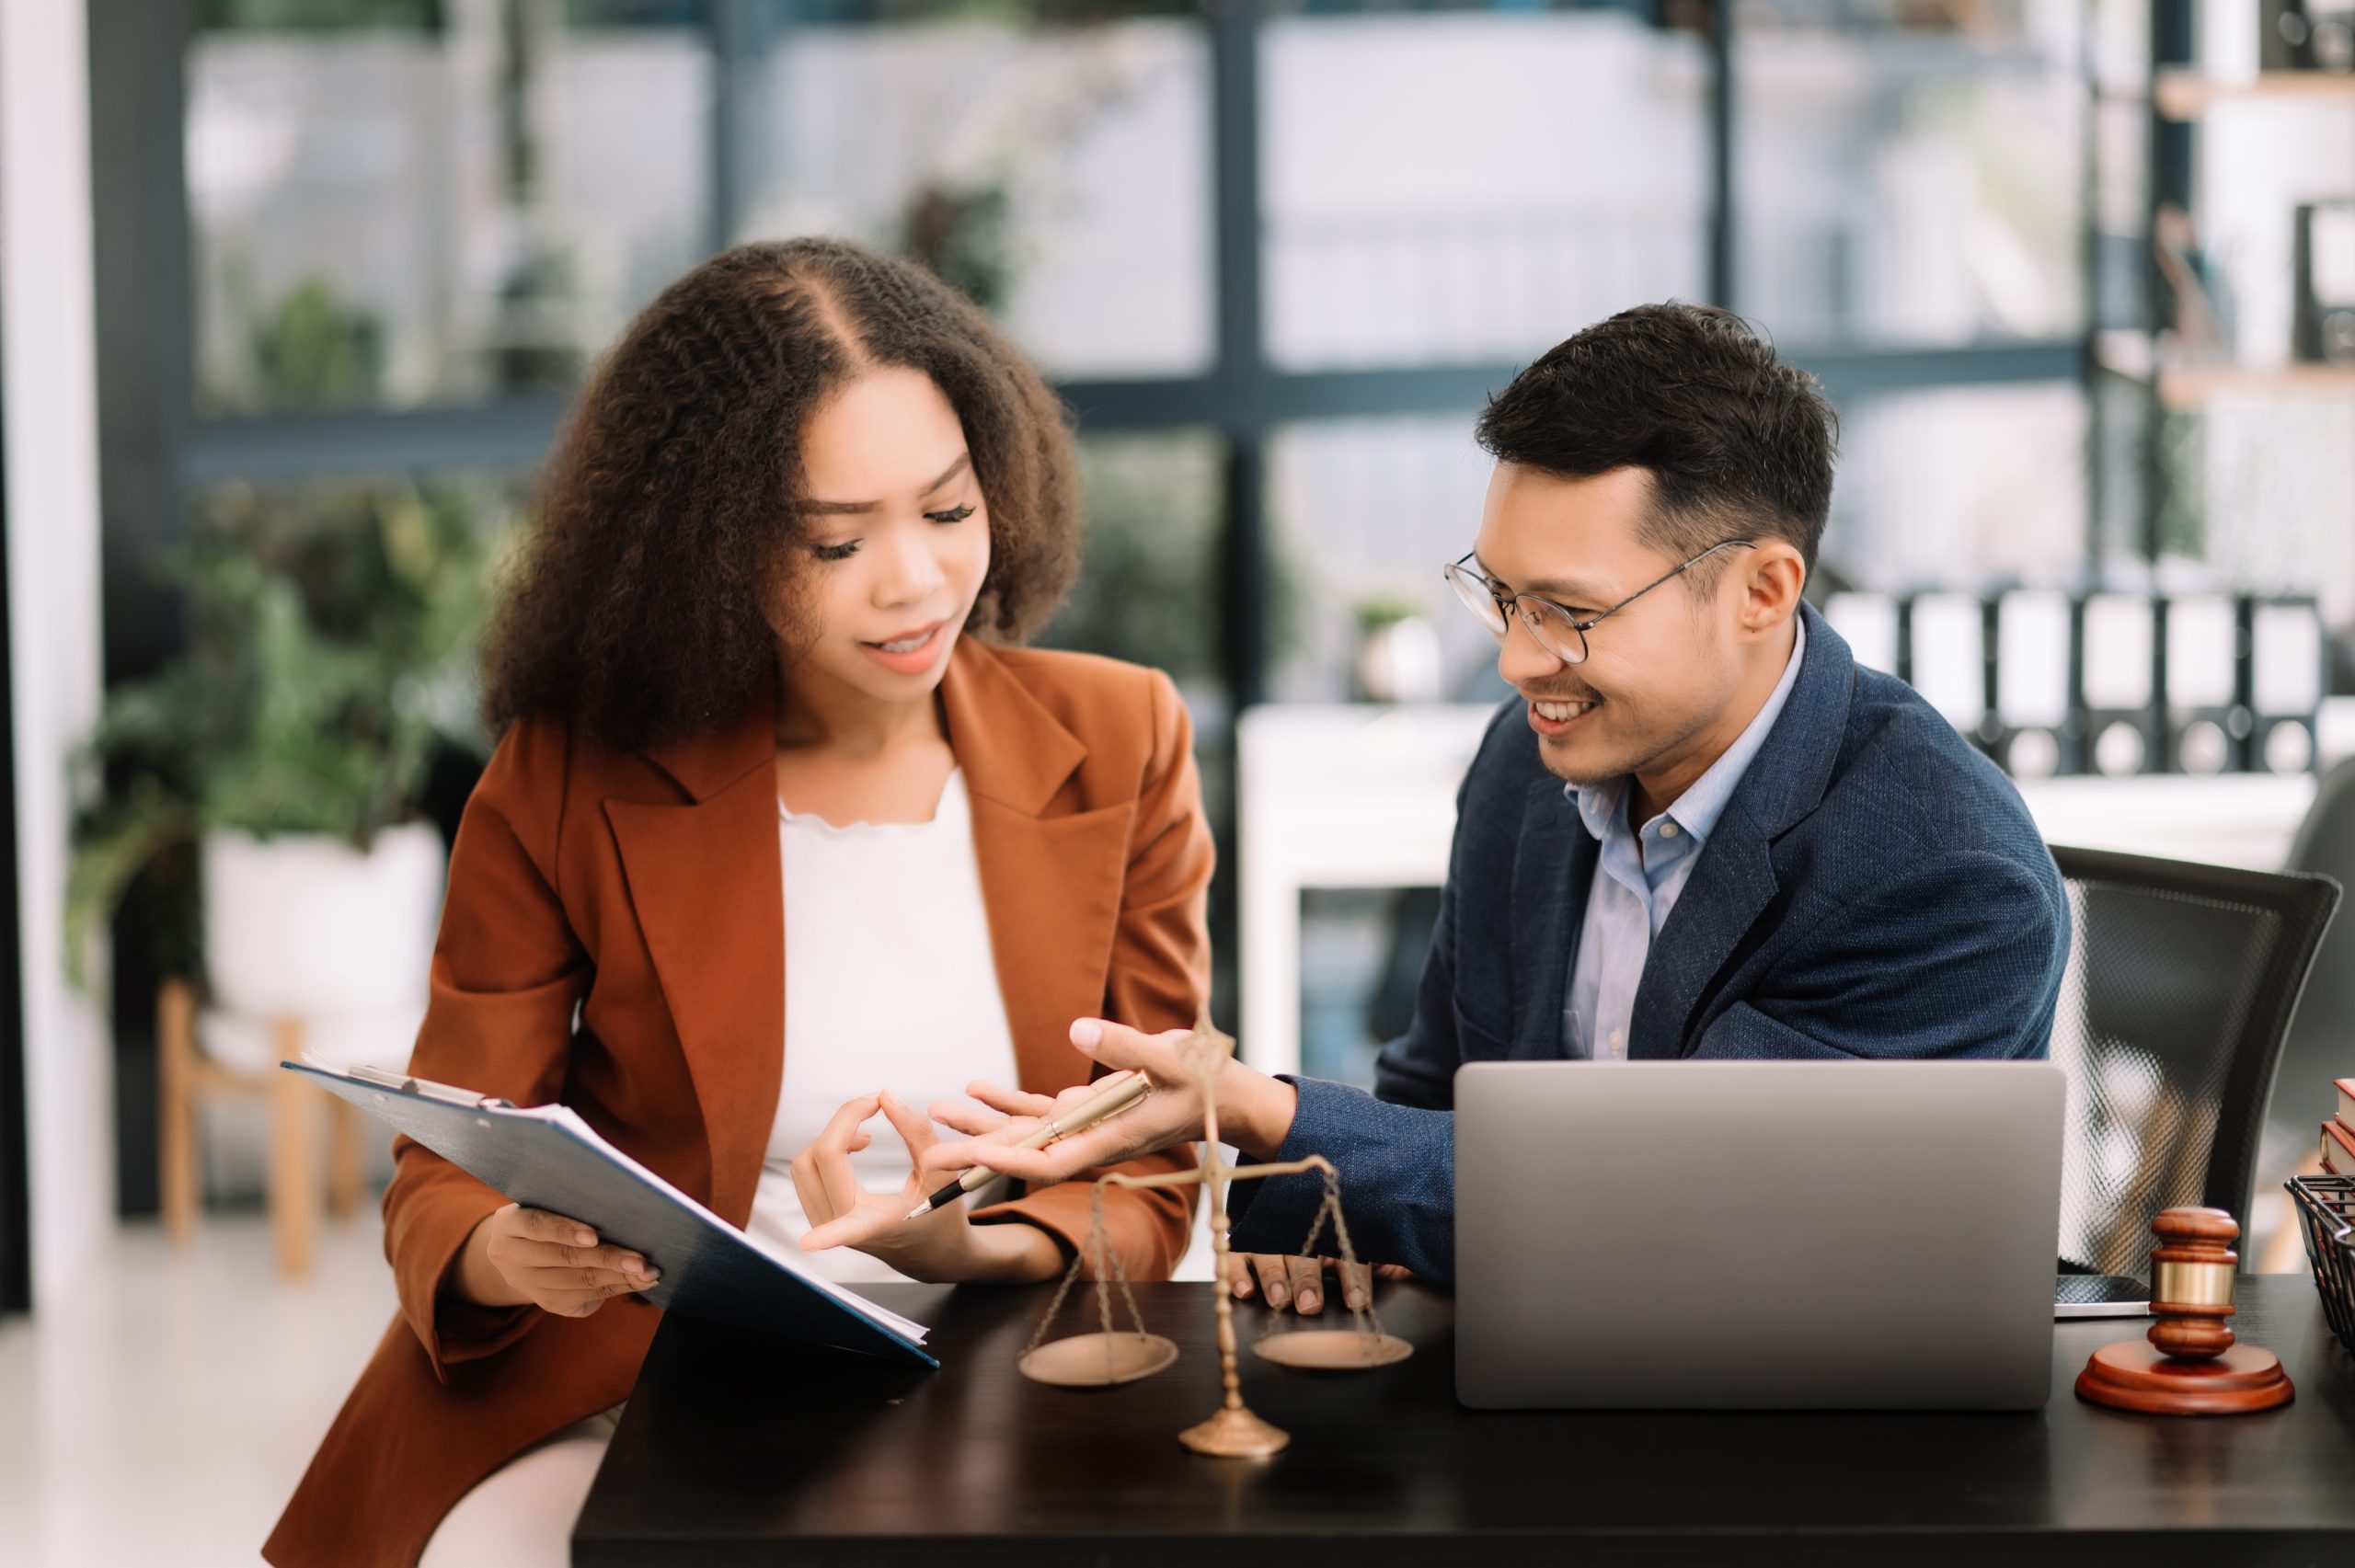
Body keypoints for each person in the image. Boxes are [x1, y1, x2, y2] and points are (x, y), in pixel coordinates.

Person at [264, 238, 1212, 1568]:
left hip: (993, 1374)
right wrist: (502, 1251)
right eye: (836, 539)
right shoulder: (571, 770)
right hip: (635, 1377)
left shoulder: (1122, 737)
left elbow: (1156, 1165)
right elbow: (444, 1168)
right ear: (703, 547)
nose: (915, 582)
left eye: (948, 512)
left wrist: (971, 1244)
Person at [920, 302, 2070, 1299]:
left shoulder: (1944, 871)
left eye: (1567, 610)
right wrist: (1325, 1222)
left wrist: (1263, 1112)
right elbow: (1434, 1090)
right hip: (1525, 1372)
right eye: (1498, 594)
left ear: (1762, 590)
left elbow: (1674, 1207)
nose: (1520, 660)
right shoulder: (1529, 767)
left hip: (1810, 1449)